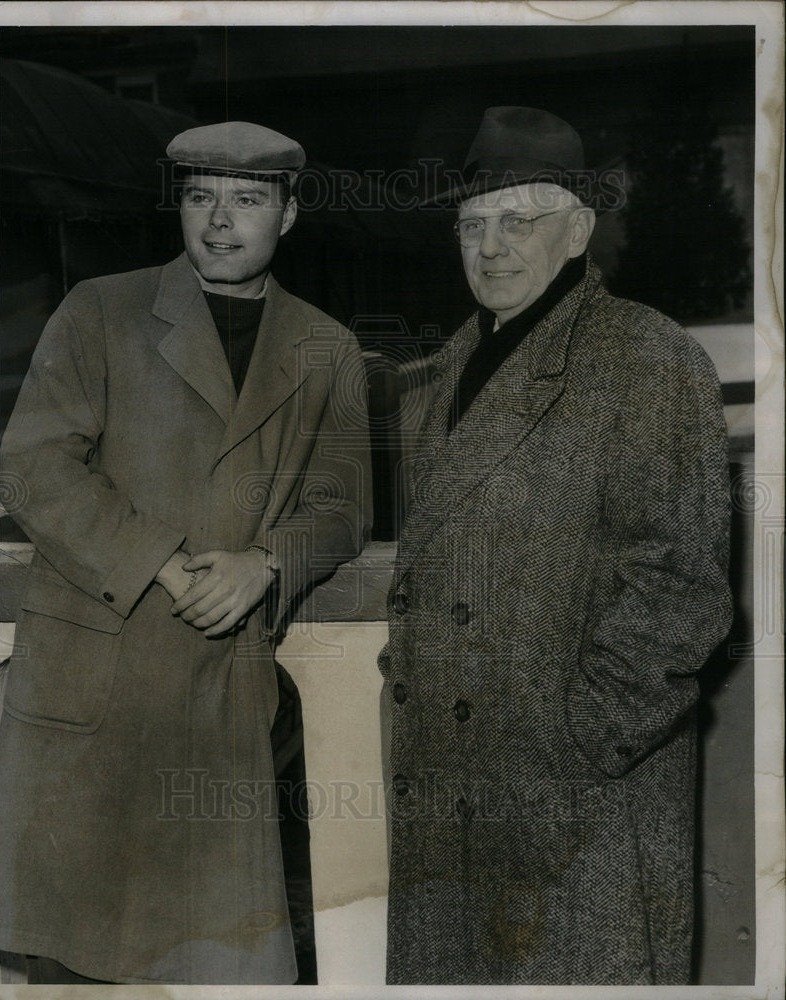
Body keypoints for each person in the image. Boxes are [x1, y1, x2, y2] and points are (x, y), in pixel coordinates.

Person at [0, 121, 371, 985]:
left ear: (290, 213)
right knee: (71, 964)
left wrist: (266, 561)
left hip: (218, 696)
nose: (219, 222)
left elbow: (342, 509)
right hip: (92, 683)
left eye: (246, 201)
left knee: (216, 965)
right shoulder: (101, 308)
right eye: (201, 198)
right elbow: (32, 465)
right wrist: (159, 559)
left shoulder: (327, 346)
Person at [380, 106, 732, 985]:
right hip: (453, 790)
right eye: (473, 224)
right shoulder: (443, 372)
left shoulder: (649, 358)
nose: (492, 246)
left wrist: (578, 741)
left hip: (578, 801)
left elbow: (679, 587)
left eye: (519, 221)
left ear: (576, 232)